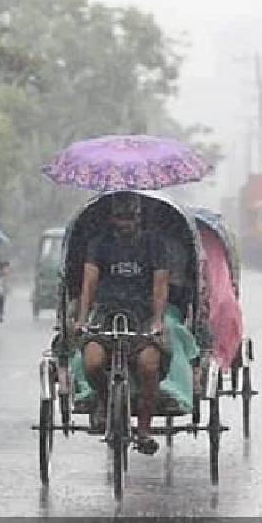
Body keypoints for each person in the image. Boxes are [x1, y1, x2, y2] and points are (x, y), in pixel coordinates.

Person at [74, 192, 170, 456]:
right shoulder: (99, 244)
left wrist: (158, 321)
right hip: (105, 314)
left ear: (139, 218)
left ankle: (144, 429)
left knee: (149, 366)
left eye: (131, 217)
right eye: (120, 217)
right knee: (92, 363)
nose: (125, 223)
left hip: (141, 316)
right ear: (112, 218)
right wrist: (82, 318)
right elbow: (90, 282)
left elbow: (160, 285)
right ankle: (106, 402)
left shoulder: (154, 244)